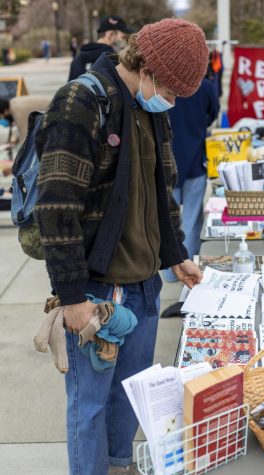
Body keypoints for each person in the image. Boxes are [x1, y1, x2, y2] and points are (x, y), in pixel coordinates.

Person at [34, 18, 208, 475]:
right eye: (169, 90)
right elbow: (56, 207)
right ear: (146, 65)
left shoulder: (150, 110)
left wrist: (177, 256)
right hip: (97, 292)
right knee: (89, 408)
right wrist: (71, 298)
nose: (170, 101)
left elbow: (161, 191)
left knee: (129, 399)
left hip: (144, 286)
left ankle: (119, 468)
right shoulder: (80, 101)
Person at [162, 76, 219, 285]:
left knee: (167, 220)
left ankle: (169, 271)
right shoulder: (205, 87)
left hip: (167, 163)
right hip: (195, 159)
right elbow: (212, 114)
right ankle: (190, 266)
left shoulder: (162, 82)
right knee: (192, 220)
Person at [68, 15, 133, 81]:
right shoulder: (111, 58)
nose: (124, 42)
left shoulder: (79, 55)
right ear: (110, 34)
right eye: (123, 37)